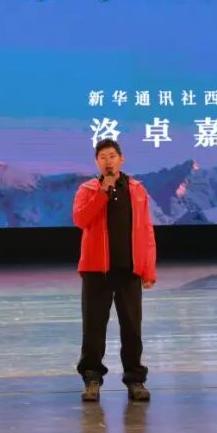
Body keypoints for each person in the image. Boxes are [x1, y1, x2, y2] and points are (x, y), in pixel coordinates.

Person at [72, 138, 157, 402]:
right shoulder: (88, 189)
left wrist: (148, 268)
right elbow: (81, 219)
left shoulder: (137, 190)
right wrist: (102, 193)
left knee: (132, 329)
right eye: (102, 157)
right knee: (93, 329)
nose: (108, 161)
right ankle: (92, 380)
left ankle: (135, 380)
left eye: (112, 156)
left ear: (121, 159)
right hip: (96, 272)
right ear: (96, 163)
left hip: (128, 270)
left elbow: (146, 230)